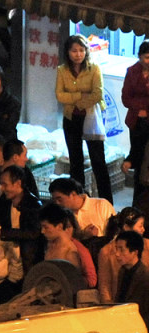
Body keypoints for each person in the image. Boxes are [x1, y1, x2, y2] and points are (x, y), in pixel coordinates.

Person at [55, 33, 113, 203]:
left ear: (86, 51)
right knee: (75, 162)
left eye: (81, 50)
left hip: (92, 118)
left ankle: (107, 202)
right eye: (74, 51)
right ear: (68, 52)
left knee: (98, 161)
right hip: (71, 118)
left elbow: (97, 94)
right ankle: (78, 200)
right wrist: (80, 96)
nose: (78, 54)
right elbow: (59, 95)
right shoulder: (62, 70)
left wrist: (77, 102)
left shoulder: (94, 68)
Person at [98, 207, 149, 304]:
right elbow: (105, 286)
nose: (143, 229)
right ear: (126, 227)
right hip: (119, 306)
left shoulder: (147, 245)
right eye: (140, 226)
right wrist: (109, 307)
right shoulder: (106, 252)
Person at [121, 41, 149, 204]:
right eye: (146, 57)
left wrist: (145, 109)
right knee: (138, 160)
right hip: (136, 121)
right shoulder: (132, 71)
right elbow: (126, 98)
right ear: (139, 56)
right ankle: (138, 204)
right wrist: (141, 108)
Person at [49, 177, 116, 239]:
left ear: (73, 194)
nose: (57, 203)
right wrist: (84, 236)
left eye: (59, 199)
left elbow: (115, 232)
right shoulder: (61, 216)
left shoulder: (101, 205)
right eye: (54, 200)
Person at [115, 230, 149, 331]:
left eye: (121, 250)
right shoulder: (122, 271)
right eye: (116, 249)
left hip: (140, 329)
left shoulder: (145, 275)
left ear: (135, 252)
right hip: (123, 325)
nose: (117, 254)